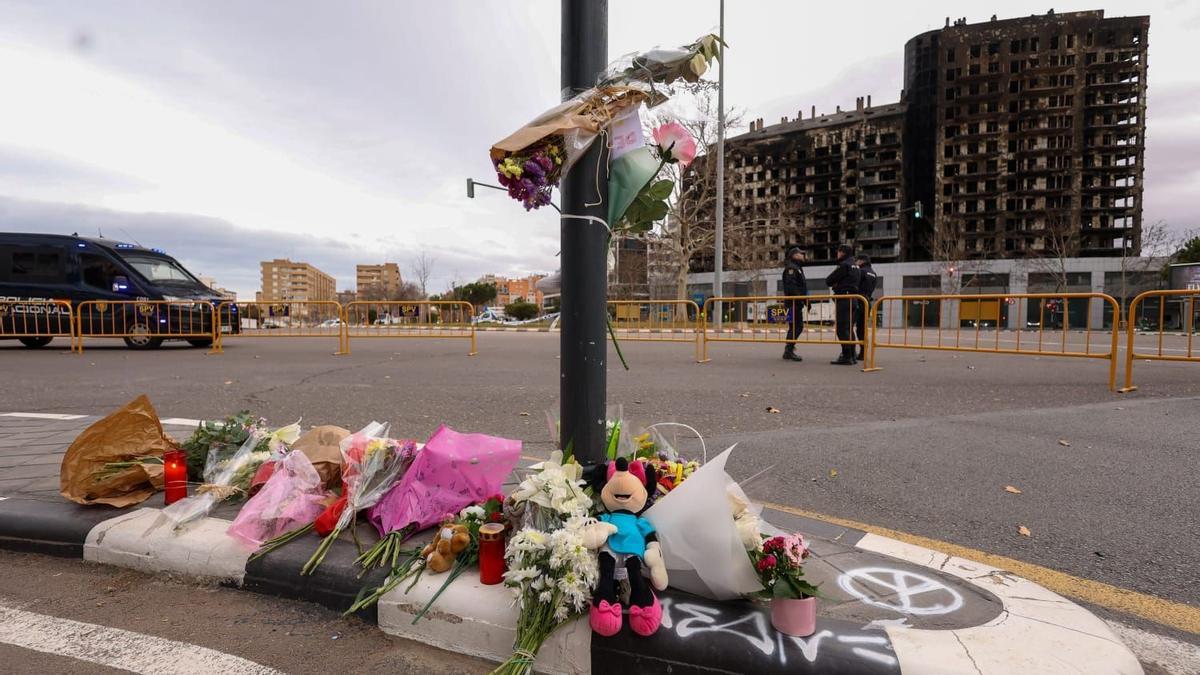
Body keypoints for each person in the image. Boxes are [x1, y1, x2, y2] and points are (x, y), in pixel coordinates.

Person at [825, 244, 861, 365]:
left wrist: (837, 285)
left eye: (838, 252)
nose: (837, 254)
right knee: (849, 329)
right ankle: (852, 355)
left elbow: (828, 280)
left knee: (841, 329)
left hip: (844, 299)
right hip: (854, 298)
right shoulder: (856, 266)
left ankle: (846, 356)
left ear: (842, 253)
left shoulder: (844, 265)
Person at [780, 246, 808, 362]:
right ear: (794, 255)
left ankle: (789, 349)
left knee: (795, 326)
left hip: (796, 302)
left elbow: (801, 287)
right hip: (793, 303)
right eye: (801, 253)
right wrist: (801, 299)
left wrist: (806, 301)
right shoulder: (791, 268)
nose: (803, 256)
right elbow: (792, 287)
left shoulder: (797, 268)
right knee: (797, 326)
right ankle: (788, 350)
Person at [853, 254, 878, 361]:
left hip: (858, 300)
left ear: (861, 261)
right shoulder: (873, 273)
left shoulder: (860, 271)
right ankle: (863, 352)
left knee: (848, 326)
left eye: (856, 261)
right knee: (862, 328)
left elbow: (854, 285)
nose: (855, 263)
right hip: (867, 301)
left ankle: (850, 351)